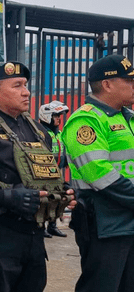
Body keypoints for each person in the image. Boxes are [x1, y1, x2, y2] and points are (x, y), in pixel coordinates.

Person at [0, 62, 76, 292]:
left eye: (25, 85)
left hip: (33, 238)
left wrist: (62, 191)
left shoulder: (36, 128)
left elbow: (43, 172)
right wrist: (9, 197)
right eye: (17, 86)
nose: (26, 92)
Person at [61, 54, 134, 292]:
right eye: (129, 81)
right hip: (104, 222)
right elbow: (100, 176)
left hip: (128, 219)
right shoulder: (86, 120)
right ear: (107, 84)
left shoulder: (129, 118)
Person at [38, 100, 70, 238]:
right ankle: (41, 226)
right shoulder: (40, 132)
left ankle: (52, 226)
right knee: (44, 200)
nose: (59, 119)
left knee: (57, 198)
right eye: (56, 116)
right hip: (43, 172)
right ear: (47, 116)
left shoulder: (59, 133)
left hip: (57, 171)